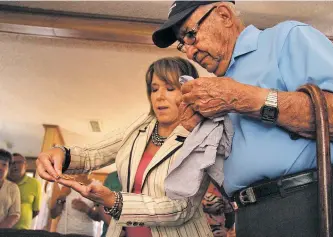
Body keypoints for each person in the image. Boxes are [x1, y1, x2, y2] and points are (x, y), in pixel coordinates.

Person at [151, 1, 333, 236]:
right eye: (182, 44)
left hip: (315, 201)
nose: (189, 52)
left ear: (224, 15)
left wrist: (245, 99)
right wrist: (194, 133)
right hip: (251, 215)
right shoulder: (215, 90)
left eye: (191, 35)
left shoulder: (285, 39)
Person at [36, 57, 214, 237]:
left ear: (188, 92)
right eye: (154, 89)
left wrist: (113, 201)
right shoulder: (140, 128)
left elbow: (181, 208)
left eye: (169, 88)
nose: (159, 96)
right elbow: (92, 154)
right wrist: (61, 154)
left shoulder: (200, 137)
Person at [7, 153, 41, 230]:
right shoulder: (3, 182)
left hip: (23, 230)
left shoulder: (34, 183)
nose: (14, 165)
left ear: (25, 165)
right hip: (3, 229)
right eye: (11, 163)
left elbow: (36, 210)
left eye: (18, 162)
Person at [0, 149, 21, 228]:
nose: (0, 168)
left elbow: (15, 214)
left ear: (8, 168)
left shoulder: (13, 188)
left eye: (4, 164)